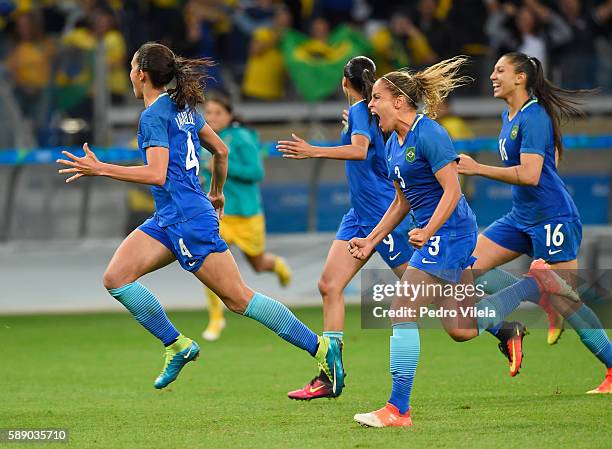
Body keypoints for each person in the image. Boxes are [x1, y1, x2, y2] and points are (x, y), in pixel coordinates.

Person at [56, 42, 343, 394]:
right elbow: (220, 150)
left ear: (142, 75)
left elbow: (157, 174)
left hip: (187, 220)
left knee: (239, 299)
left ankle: (322, 349)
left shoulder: (153, 116)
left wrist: (101, 169)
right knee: (117, 277)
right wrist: (217, 191)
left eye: (132, 68)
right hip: (169, 217)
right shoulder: (184, 108)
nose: (130, 74)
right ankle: (177, 345)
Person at [346, 57, 580, 427]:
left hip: (451, 233)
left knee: (401, 309)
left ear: (400, 101)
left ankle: (398, 409)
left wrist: (427, 231)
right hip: (440, 233)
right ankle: (535, 284)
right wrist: (372, 239)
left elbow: (452, 190)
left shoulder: (431, 134)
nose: (370, 105)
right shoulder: (393, 143)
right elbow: (401, 201)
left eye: (376, 98)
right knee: (462, 329)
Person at [458, 52, 612, 394]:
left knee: (568, 302)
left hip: (552, 217)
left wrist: (477, 168)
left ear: (520, 78)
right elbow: (550, 160)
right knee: (463, 265)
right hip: (521, 217)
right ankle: (521, 312)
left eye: (501, 70)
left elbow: (530, 174)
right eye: (494, 70)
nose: (493, 76)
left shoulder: (535, 116)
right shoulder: (510, 115)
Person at [277, 56, 415, 400]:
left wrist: (313, 151)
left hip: (384, 216)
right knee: (329, 285)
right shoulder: (370, 113)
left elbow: (358, 150)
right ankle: (329, 374)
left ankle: (500, 327)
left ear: (343, 82)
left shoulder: (360, 113)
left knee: (430, 291)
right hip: (360, 213)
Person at [200, 94, 292, 341]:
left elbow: (255, 172)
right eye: (208, 112)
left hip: (246, 213)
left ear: (229, 114)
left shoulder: (241, 137)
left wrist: (222, 167)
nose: (212, 118)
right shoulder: (202, 139)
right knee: (208, 261)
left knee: (258, 264)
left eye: (218, 112)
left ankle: (277, 266)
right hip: (219, 214)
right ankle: (216, 318)